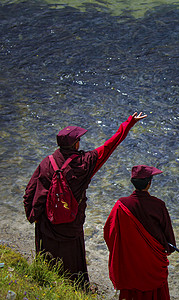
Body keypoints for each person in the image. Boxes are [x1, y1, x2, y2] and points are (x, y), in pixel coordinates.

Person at [23, 112, 147, 289]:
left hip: (47, 223)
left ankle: (45, 285)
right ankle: (78, 289)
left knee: (47, 259)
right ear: (75, 144)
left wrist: (32, 215)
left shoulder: (46, 163)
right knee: (73, 261)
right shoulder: (85, 163)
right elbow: (110, 145)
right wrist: (129, 123)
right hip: (71, 223)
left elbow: (30, 192)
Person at [103, 165, 176, 300]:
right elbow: (169, 238)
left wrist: (121, 250)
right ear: (149, 183)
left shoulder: (121, 205)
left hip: (130, 261)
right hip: (152, 262)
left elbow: (108, 231)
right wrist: (168, 248)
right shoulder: (158, 205)